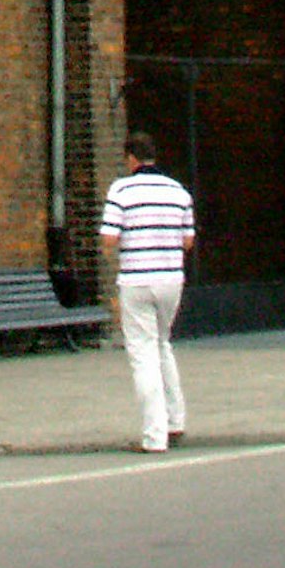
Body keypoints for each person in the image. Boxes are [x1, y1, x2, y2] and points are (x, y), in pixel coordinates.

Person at [98, 127, 196, 454]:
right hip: (171, 280)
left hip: (137, 279)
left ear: (131, 158)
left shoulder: (122, 190)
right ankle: (176, 419)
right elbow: (188, 240)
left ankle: (155, 436)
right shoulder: (178, 191)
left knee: (142, 354)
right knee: (162, 344)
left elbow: (110, 240)